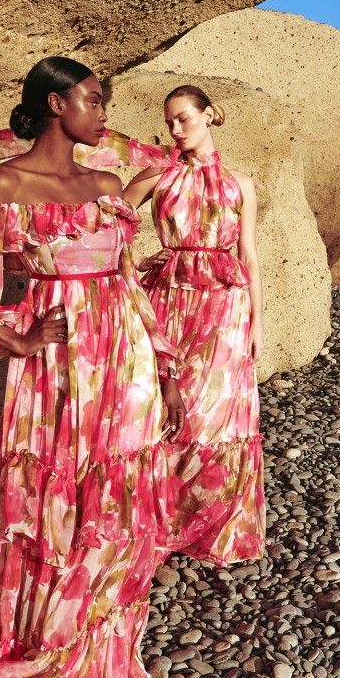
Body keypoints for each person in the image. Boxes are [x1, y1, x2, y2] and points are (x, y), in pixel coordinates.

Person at [0, 56, 184, 678]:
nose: (105, 111)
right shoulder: (4, 184)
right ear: (58, 103)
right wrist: (16, 335)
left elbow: (125, 274)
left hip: (122, 360)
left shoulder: (104, 184)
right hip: (57, 373)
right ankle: (42, 672)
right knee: (58, 518)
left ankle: (120, 663)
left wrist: (163, 361)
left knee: (122, 519)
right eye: (95, 99)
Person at [120, 85, 266, 567]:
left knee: (216, 412)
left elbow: (248, 255)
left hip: (226, 306)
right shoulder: (158, 175)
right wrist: (129, 264)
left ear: (208, 116)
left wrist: (257, 323)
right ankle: (159, 521)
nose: (175, 130)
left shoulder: (240, 182)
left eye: (183, 119)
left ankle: (208, 524)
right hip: (169, 302)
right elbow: (108, 220)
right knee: (163, 407)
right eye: (169, 122)